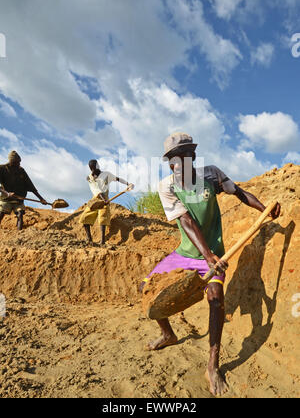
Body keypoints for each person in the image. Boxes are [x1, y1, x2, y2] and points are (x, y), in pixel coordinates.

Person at [140, 132, 280, 397]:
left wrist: (263, 209)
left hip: (214, 253)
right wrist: (205, 254)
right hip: (186, 254)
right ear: (170, 163)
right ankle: (168, 334)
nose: (177, 164)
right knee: (146, 289)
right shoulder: (167, 186)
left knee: (216, 300)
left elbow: (238, 193)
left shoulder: (211, 175)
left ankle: (212, 366)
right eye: (172, 160)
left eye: (183, 157)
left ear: (192, 156)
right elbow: (186, 222)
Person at [79, 159, 134, 246]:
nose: (93, 170)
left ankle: (102, 241)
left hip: (105, 196)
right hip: (95, 199)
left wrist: (128, 184)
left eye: (94, 167)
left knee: (103, 217)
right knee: (85, 217)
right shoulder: (90, 177)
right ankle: (89, 239)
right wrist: (103, 199)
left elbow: (117, 179)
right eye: (92, 168)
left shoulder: (106, 174)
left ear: (97, 166)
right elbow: (95, 190)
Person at [0, 151, 47, 230]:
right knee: (1, 213)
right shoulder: (2, 169)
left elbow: (31, 186)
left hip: (19, 200)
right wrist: (7, 193)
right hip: (6, 199)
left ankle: (19, 234)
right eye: (17, 163)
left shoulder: (21, 171)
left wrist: (41, 199)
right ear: (11, 162)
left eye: (19, 162)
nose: (19, 164)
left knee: (20, 214)